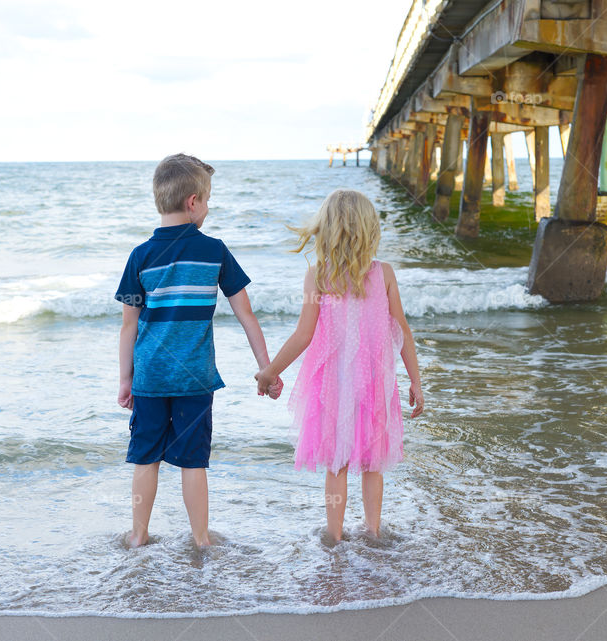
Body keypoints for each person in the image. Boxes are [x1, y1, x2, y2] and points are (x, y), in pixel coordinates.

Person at [116, 153, 281, 549]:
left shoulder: (140, 256)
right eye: (207, 201)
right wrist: (267, 368)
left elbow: (128, 325)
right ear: (193, 202)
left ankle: (139, 534)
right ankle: (202, 538)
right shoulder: (215, 251)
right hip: (195, 379)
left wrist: (125, 379)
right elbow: (246, 314)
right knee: (193, 461)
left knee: (145, 458)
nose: (207, 209)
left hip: (150, 378)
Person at [255, 189, 423, 542]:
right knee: (373, 463)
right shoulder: (384, 274)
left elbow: (303, 335)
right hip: (376, 384)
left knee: (337, 464)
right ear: (368, 230)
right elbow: (402, 330)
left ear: (327, 230)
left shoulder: (319, 276)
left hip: (334, 386)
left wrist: (271, 371)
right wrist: (415, 381)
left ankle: (334, 536)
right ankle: (373, 531)